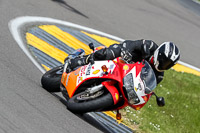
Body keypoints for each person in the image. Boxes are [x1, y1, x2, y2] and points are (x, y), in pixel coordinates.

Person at [66, 39, 180, 84]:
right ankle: (80, 61)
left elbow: (147, 89)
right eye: (164, 60)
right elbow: (133, 44)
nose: (164, 64)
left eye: (168, 64)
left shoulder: (159, 76)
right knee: (107, 54)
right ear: (159, 53)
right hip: (123, 55)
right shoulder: (150, 46)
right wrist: (126, 52)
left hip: (127, 74)